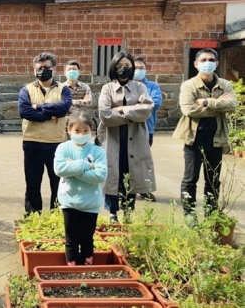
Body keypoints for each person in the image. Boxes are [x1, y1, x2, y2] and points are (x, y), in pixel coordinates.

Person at [172, 48, 237, 226]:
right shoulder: (189, 85)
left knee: (213, 179)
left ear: (217, 63)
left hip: (216, 138)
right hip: (193, 138)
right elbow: (188, 109)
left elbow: (232, 104)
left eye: (211, 60)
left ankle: (211, 213)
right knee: (190, 178)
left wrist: (207, 102)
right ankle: (189, 214)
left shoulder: (225, 84)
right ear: (196, 64)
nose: (207, 63)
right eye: (203, 60)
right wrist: (218, 105)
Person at [98, 51, 156, 224]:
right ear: (113, 68)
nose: (123, 69)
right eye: (120, 66)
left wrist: (121, 110)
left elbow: (146, 110)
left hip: (135, 138)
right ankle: (113, 213)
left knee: (132, 174)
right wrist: (132, 113)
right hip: (113, 138)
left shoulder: (140, 87)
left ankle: (128, 211)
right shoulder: (107, 88)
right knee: (112, 175)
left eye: (127, 66)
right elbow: (105, 115)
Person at [18, 52, 72, 215]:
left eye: (47, 67)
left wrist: (39, 107)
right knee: (32, 183)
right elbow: (25, 112)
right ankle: (33, 215)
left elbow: (64, 108)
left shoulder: (63, 89)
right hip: (32, 142)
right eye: (40, 68)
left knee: (58, 183)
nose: (43, 70)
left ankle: (57, 216)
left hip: (56, 143)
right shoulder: (26, 90)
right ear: (34, 69)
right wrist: (51, 115)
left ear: (53, 69)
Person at [54, 111, 107, 266]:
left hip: (91, 202)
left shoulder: (98, 150)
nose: (81, 134)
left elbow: (100, 176)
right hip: (69, 201)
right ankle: (71, 265)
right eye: (77, 130)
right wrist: (86, 165)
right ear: (69, 130)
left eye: (85, 131)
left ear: (91, 130)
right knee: (71, 238)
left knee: (87, 237)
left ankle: (87, 264)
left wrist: (72, 168)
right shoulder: (63, 148)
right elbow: (59, 169)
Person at [133, 57, 162, 202]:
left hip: (146, 128)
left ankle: (143, 190)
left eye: (141, 68)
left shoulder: (152, 86)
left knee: (143, 160)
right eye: (135, 68)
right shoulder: (125, 85)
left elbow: (155, 104)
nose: (138, 71)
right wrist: (142, 103)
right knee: (124, 159)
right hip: (127, 127)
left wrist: (131, 107)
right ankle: (124, 188)